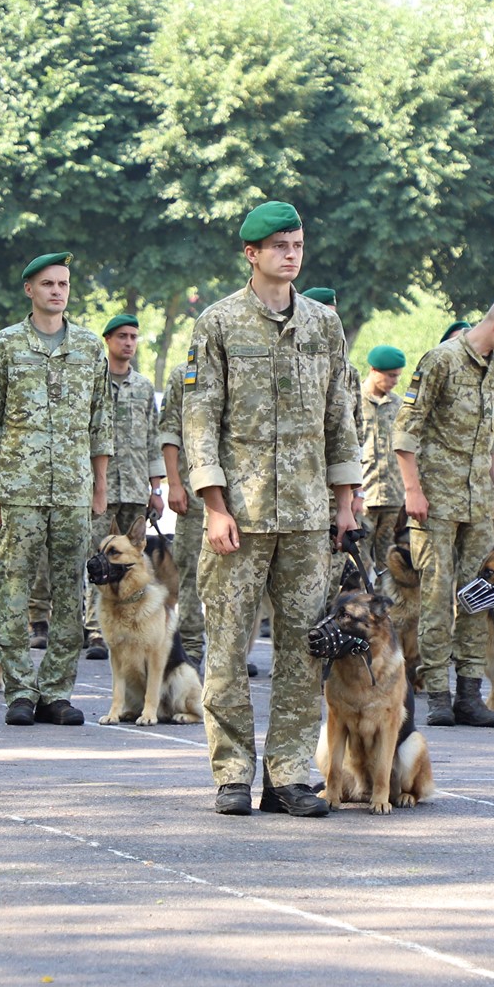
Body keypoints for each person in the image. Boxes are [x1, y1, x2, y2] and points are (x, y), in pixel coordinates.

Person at [182, 201, 359, 817]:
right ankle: (232, 772)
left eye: (298, 244)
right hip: (242, 513)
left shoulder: (323, 324)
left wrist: (346, 500)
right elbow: (200, 417)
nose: (291, 254)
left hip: (309, 514)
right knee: (228, 647)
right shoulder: (219, 324)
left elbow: (341, 413)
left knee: (303, 648)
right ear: (252, 254)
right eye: (279, 245)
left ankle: (289, 772)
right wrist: (213, 503)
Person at [0, 253, 110, 725]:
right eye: (48, 283)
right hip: (18, 490)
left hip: (73, 489)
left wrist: (99, 489)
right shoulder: (5, 347)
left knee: (72, 593)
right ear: (29, 289)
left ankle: (56, 690)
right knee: (12, 591)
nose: (57, 291)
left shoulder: (91, 348)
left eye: (64, 284)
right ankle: (19, 692)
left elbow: (100, 424)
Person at [395, 288, 494, 726]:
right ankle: (437, 692)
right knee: (438, 595)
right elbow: (406, 432)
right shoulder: (440, 360)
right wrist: (412, 490)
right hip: (435, 501)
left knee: (481, 594)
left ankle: (468, 692)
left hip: (478, 501)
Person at [89, 311, 162, 659]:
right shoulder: (93, 381)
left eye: (133, 337)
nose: (129, 343)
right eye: (122, 337)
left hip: (134, 486)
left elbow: (153, 438)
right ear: (108, 341)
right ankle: (94, 628)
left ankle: (133, 620)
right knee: (97, 558)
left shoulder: (144, 386)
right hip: (98, 488)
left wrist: (156, 487)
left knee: (132, 560)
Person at [158, 335, 207, 668]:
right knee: (190, 575)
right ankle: (191, 650)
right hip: (194, 493)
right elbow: (170, 431)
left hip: (244, 497)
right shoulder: (183, 375)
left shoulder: (246, 371)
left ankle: (229, 653)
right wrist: (174, 484)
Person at [359, 345, 408, 558]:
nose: (394, 381)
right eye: (390, 376)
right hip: (364, 495)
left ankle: (383, 592)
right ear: (374, 370)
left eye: (397, 376)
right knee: (359, 555)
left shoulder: (399, 405)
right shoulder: (355, 401)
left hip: (392, 495)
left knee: (387, 557)